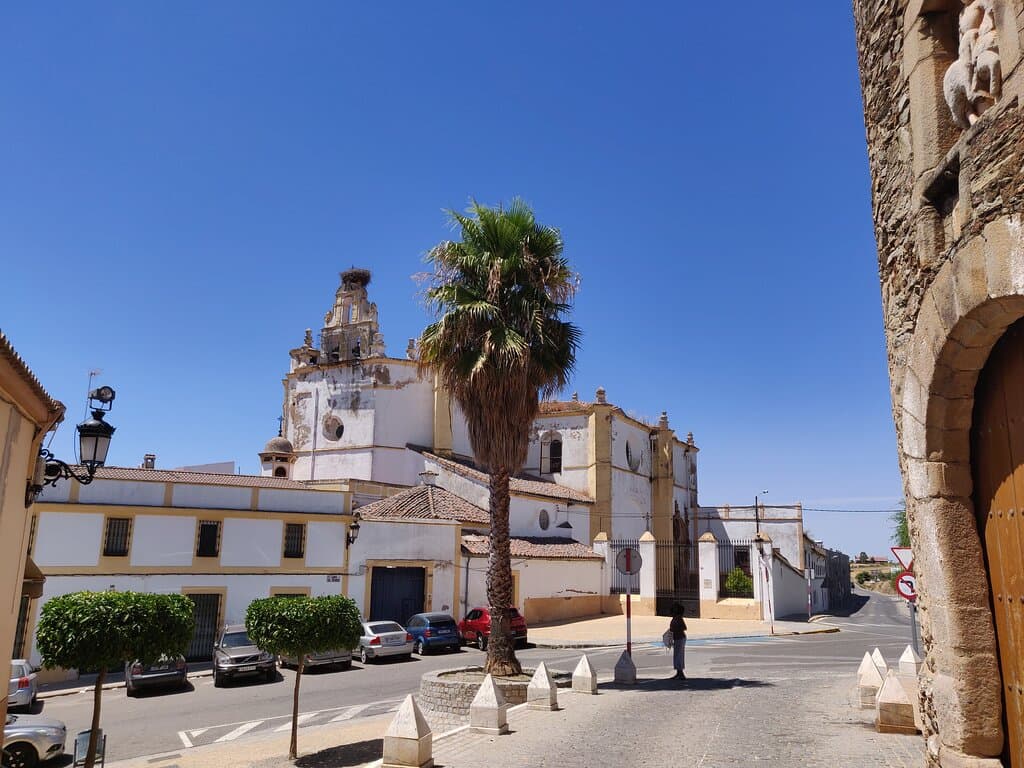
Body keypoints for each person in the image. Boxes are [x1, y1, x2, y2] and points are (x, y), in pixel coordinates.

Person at [669, 605, 687, 680]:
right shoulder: (675, 618)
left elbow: (684, 627)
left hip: (680, 638)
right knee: (676, 655)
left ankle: (681, 673)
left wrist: (675, 629)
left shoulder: (679, 618)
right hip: (677, 638)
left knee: (679, 655)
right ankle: (678, 672)